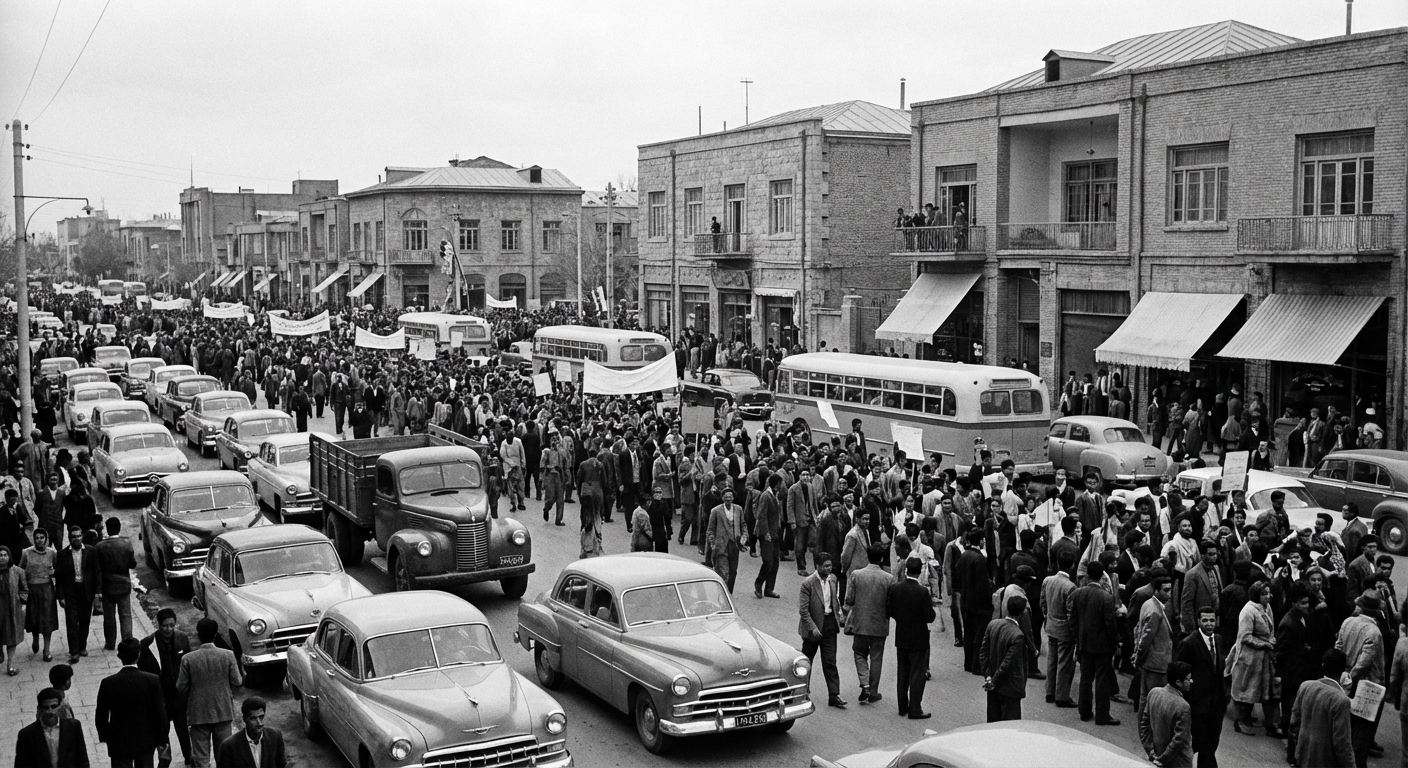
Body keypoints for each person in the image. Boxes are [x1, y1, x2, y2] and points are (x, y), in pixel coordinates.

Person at [177, 618, 244, 768]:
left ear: (198, 635)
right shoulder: (228, 655)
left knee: (201, 758)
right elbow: (237, 681)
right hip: (223, 711)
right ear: (215, 635)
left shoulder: (187, 659)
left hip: (198, 714)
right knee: (224, 756)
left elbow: (181, 687)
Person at [96, 637, 167, 768]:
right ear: (138, 655)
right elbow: (160, 713)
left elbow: (101, 715)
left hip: (119, 741)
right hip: (146, 739)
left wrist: (106, 737)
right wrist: (160, 739)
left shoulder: (108, 683)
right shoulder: (152, 680)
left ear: (119, 656)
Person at [139, 608, 193, 767]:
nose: (169, 629)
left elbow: (188, 663)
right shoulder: (147, 644)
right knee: (162, 729)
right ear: (158, 625)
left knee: (183, 728)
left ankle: (189, 757)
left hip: (179, 695)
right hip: (160, 696)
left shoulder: (182, 638)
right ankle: (165, 759)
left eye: (171, 625)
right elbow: (144, 672)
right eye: (165, 626)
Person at [1069, 559, 1120, 726]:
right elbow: (1110, 624)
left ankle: (1084, 711)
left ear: (1088, 574)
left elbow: (1073, 619)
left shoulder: (1078, 593)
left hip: (1084, 643)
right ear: (1102, 576)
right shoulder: (1106, 597)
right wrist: (1114, 644)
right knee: (1102, 681)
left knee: (1085, 679)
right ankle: (1102, 715)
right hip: (1102, 646)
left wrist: (1078, 637)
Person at [1228, 580, 1281, 737]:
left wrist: (1270, 640)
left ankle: (1248, 718)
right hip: (1248, 657)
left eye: (1268, 593)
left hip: (1262, 658)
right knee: (1245, 688)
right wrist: (1265, 644)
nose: (1268, 596)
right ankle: (1240, 721)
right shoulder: (1248, 611)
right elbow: (1245, 637)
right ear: (1256, 595)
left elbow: (1271, 629)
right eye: (1263, 594)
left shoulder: (1266, 607)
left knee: (1256, 688)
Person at [1176, 606, 1227, 768]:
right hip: (1197, 704)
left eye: (1212, 620)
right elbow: (1179, 672)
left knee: (1212, 742)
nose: (1209, 624)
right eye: (1205, 620)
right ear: (1198, 621)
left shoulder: (1218, 640)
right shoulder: (1189, 643)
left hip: (1216, 704)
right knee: (1197, 743)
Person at [1289, 649, 1357, 768]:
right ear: (1343, 671)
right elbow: (1342, 743)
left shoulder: (1305, 686)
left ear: (1322, 665)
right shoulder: (1341, 700)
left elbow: (1294, 724)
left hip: (1302, 757)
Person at [888, 557, 936, 719]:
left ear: (906, 570)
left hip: (901, 636)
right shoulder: (923, 592)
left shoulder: (895, 589)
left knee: (903, 672)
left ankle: (903, 706)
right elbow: (929, 617)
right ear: (920, 570)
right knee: (917, 674)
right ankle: (915, 708)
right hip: (919, 637)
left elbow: (890, 611)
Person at [844, 543, 891, 705]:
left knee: (859, 653)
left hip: (860, 623)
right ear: (882, 558)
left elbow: (849, 599)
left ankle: (865, 683)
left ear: (867, 556)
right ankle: (873, 691)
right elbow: (890, 604)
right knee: (877, 658)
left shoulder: (856, 575)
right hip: (880, 624)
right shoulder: (888, 578)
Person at [799, 554, 845, 708]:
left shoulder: (833, 579)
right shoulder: (808, 583)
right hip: (813, 629)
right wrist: (813, 629)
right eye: (825, 566)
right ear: (817, 566)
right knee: (807, 662)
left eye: (829, 565)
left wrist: (838, 616)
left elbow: (835, 601)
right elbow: (803, 611)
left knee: (830, 661)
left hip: (829, 625)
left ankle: (834, 695)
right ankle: (803, 692)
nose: (828, 569)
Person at [980, 593, 1030, 722]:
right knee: (1009, 728)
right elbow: (1008, 663)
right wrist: (994, 681)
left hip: (992, 685)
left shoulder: (993, 624)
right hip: (1009, 688)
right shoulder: (1017, 635)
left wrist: (988, 676)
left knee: (992, 724)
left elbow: (983, 652)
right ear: (1021, 614)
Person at [55, 524, 99, 664]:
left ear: (82, 537)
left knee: (85, 621)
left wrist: (98, 592)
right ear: (69, 538)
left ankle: (82, 647)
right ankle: (73, 651)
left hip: (86, 591)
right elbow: (59, 577)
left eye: (79, 536)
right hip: (71, 592)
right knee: (72, 622)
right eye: (73, 537)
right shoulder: (62, 554)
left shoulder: (91, 551)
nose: (76, 539)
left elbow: (97, 572)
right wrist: (60, 596)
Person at [15, 687, 90, 768]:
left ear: (60, 706)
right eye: (46, 707)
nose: (50, 711)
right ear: (39, 708)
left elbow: (82, 758)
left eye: (54, 706)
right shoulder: (26, 734)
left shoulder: (73, 726)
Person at [1139, 660, 1195, 768]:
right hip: (1179, 761)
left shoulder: (1154, 693)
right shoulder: (1183, 706)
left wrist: (1150, 751)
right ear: (1179, 682)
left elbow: (1144, 726)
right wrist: (1163, 758)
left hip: (1157, 752)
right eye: (1188, 679)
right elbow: (1179, 739)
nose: (1191, 681)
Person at [1042, 549, 1079, 707]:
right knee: (1064, 663)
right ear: (1072, 566)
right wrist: (1075, 633)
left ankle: (1050, 691)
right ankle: (1062, 696)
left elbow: (1042, 603)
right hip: (1064, 629)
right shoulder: (1071, 587)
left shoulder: (1048, 580)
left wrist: (1047, 617)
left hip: (1051, 625)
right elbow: (1071, 614)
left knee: (1052, 660)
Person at [95, 516, 138, 649]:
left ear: (107, 529)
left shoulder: (99, 547)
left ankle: (110, 643)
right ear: (119, 528)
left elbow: (98, 569)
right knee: (125, 615)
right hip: (124, 585)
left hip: (107, 586)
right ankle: (127, 640)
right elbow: (132, 564)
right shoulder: (126, 544)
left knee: (109, 616)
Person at [1135, 575, 1175, 711]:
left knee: (1146, 699)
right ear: (1156, 591)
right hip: (1155, 664)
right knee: (1152, 702)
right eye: (1166, 590)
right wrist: (1139, 658)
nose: (1169, 594)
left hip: (1151, 662)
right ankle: (1148, 731)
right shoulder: (1155, 611)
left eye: (1170, 590)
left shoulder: (1149, 604)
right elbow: (1145, 639)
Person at [955, 529, 993, 673]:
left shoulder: (965, 555)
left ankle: (968, 663)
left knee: (969, 633)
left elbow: (957, 576)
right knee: (979, 635)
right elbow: (983, 585)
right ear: (981, 540)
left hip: (966, 601)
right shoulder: (979, 559)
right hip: (979, 605)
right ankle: (977, 665)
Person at [215, 696, 286, 768]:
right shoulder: (229, 746)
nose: (259, 723)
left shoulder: (275, 736)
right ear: (245, 719)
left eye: (261, 717)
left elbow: (281, 765)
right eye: (253, 719)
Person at [706, 487, 744, 593]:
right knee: (723, 572)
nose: (728, 499)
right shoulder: (715, 511)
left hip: (734, 545)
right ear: (722, 498)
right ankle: (723, 594)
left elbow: (743, 525)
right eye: (726, 497)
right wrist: (713, 544)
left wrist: (744, 537)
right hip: (721, 546)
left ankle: (729, 593)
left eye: (730, 497)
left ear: (733, 498)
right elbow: (710, 530)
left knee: (733, 571)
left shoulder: (738, 509)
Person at [753, 474, 783, 599]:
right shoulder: (766, 496)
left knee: (775, 561)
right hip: (767, 534)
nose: (781, 486)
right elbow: (762, 515)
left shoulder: (774, 495)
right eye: (780, 484)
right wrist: (766, 533)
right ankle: (759, 583)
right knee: (768, 560)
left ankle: (769, 588)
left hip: (774, 533)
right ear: (775, 484)